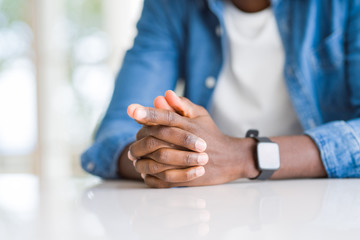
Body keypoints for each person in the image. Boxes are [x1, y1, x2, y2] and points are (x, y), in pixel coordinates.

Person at [81, 0, 360, 188]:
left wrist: (243, 156)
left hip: (324, 208)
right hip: (210, 206)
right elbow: (114, 134)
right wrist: (163, 159)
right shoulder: (169, 6)